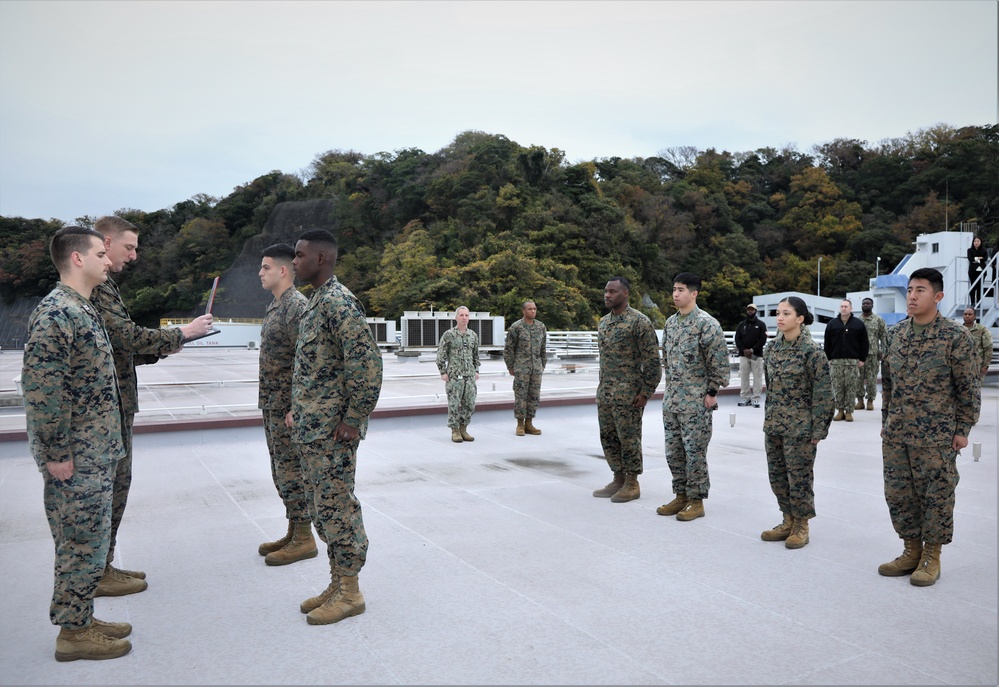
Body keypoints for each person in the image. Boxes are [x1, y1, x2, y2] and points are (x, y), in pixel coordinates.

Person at [22, 226, 132, 661]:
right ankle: (72, 634)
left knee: (89, 538)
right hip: (77, 456)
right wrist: (57, 454)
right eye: (101, 254)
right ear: (77, 259)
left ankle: (82, 616)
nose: (109, 261)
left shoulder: (80, 308)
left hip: (96, 450)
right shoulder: (57, 313)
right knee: (79, 542)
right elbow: (43, 392)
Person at [90, 216, 215, 596]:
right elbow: (122, 336)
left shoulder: (105, 284)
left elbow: (121, 349)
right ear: (107, 242)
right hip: (105, 408)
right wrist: (182, 333)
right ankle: (95, 572)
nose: (134, 255)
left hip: (117, 403)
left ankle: (102, 566)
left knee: (117, 488)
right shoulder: (96, 287)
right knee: (106, 491)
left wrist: (167, 347)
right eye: (129, 247)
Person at [289, 229, 383, 624]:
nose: (294, 262)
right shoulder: (317, 302)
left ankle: (350, 591)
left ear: (321, 259)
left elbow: (367, 365)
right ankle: (336, 580)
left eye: (299, 255)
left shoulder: (340, 303)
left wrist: (354, 418)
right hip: (313, 430)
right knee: (322, 508)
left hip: (331, 432)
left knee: (337, 507)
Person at [878, 268, 980, 587]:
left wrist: (963, 429)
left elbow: (968, 388)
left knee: (936, 495)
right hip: (897, 433)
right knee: (899, 494)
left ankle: (931, 556)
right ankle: (910, 550)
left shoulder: (955, 337)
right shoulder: (895, 335)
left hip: (936, 435)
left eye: (920, 290)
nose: (911, 295)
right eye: (909, 289)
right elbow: (889, 385)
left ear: (937, 296)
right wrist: (885, 422)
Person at [256, 243, 315, 566]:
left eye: (265, 268)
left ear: (283, 270)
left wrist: (297, 405)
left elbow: (306, 361)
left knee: (293, 470)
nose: (260, 273)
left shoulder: (296, 307)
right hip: (273, 403)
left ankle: (305, 537)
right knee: (281, 469)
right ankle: (294, 528)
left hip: (289, 408)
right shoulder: (275, 306)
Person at [759, 297, 834, 548]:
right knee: (777, 476)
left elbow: (823, 394)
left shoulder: (812, 352)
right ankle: (787, 519)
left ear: (800, 318)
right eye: (778, 313)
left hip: (800, 428)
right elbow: (770, 386)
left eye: (786, 313)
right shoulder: (770, 349)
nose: (780, 318)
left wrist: (819, 429)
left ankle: (802, 524)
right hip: (775, 424)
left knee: (799, 477)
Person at [656, 272, 729, 521]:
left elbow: (719, 363)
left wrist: (712, 392)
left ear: (694, 293)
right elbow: (666, 359)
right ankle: (681, 495)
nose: (676, 294)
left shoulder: (707, 324)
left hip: (696, 402)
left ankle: (696, 501)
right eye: (674, 289)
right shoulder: (671, 323)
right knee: (673, 451)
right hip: (673, 400)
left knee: (694, 452)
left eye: (681, 289)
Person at [592, 277, 662, 503]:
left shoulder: (639, 322)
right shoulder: (603, 322)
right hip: (606, 392)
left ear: (625, 294)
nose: (607, 295)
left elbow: (652, 361)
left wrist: (646, 392)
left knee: (629, 438)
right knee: (609, 437)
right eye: (606, 291)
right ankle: (618, 477)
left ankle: (632, 482)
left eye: (612, 292)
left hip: (629, 394)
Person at [436, 306, 481, 443]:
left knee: (470, 404)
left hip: (469, 375)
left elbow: (476, 355)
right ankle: (455, 430)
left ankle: (463, 428)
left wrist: (477, 370)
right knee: (454, 404)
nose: (464, 318)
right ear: (456, 317)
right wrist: (443, 371)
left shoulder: (473, 335)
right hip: (454, 376)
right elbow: (441, 354)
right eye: (461, 315)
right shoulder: (449, 335)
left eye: (466, 315)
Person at [503, 300, 548, 436]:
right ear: (523, 311)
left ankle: (529, 423)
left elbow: (543, 348)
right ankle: (520, 424)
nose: (533, 311)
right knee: (521, 396)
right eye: (530, 309)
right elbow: (509, 349)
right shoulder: (516, 327)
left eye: (534, 309)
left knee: (534, 396)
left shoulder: (541, 327)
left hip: (536, 368)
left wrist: (542, 365)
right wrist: (510, 366)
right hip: (521, 368)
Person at [823, 299, 869, 422]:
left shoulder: (858, 324)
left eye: (846, 306)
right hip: (836, 361)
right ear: (840, 308)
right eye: (842, 306)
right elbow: (827, 343)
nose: (844, 308)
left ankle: (849, 411)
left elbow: (864, 343)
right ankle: (840, 410)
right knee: (837, 387)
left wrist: (862, 359)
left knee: (851, 387)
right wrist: (828, 358)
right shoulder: (832, 324)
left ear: (851, 308)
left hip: (852, 361)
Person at [856, 297, 888, 411]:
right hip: (859, 355)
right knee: (858, 379)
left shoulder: (878, 320)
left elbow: (884, 337)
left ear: (872, 306)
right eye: (864, 303)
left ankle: (870, 401)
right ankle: (860, 401)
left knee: (871, 379)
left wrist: (883, 352)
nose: (865, 305)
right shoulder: (857, 321)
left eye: (868, 303)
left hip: (873, 355)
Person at [734, 303, 767, 408]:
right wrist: (743, 350)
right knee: (744, 376)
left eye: (752, 310)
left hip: (756, 355)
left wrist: (752, 350)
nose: (750, 311)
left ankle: (756, 398)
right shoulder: (741, 324)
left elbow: (763, 340)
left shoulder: (761, 324)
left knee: (757, 377)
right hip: (744, 355)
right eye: (748, 310)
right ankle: (745, 397)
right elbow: (737, 338)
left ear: (755, 311)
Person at [962, 307, 993, 383]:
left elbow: (988, 348)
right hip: (960, 367)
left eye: (970, 314)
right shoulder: (958, 329)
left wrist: (985, 366)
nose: (967, 316)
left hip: (976, 367)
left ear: (975, 316)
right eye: (965, 314)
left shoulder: (982, 330)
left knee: (975, 391)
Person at [967, 236, 987, 307]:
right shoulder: (970, 250)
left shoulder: (984, 250)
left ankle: (979, 302)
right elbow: (970, 259)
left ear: (980, 242)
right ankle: (972, 302)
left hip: (981, 270)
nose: (976, 242)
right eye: (975, 241)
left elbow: (985, 258)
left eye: (978, 241)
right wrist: (979, 258)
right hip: (973, 271)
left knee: (980, 287)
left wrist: (975, 259)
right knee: (973, 286)